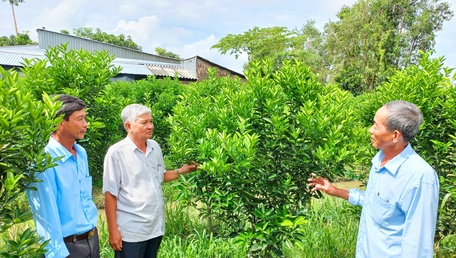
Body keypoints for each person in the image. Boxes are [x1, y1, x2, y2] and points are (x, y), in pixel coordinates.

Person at [308, 100, 439, 257]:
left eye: (376, 126)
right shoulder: (379, 162)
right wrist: (335, 190)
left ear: (395, 135)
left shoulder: (419, 177)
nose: (370, 130)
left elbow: (418, 246)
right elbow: (375, 202)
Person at [102, 103, 198, 258]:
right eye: (144, 122)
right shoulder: (116, 153)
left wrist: (181, 171)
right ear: (128, 125)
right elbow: (110, 194)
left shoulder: (155, 147)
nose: (150, 126)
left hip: (155, 227)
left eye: (151, 122)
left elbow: (159, 176)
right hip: (132, 231)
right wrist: (113, 231)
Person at [26, 94, 100, 258]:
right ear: (60, 122)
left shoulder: (81, 153)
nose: (86, 124)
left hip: (92, 239)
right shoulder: (44, 160)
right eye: (80, 119)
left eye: (85, 118)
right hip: (67, 248)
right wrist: (57, 253)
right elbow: (45, 214)